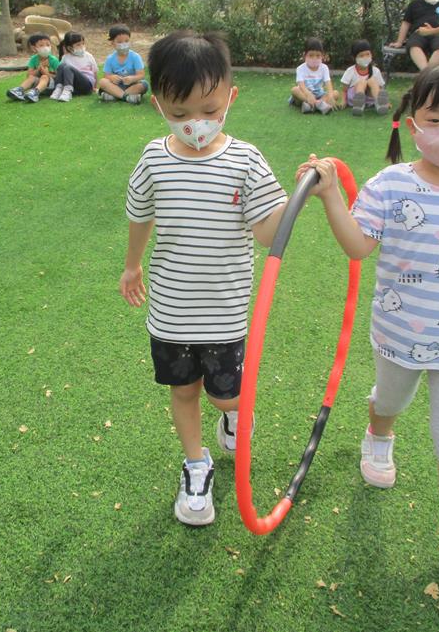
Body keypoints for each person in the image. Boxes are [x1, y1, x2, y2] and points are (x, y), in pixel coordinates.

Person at [298, 61, 439, 584]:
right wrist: (332, 195)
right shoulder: (389, 185)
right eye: (436, 118)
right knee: (391, 400)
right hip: (399, 332)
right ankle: (378, 434)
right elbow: (358, 247)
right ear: (412, 123)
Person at [120, 31, 289, 526]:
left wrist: (300, 197)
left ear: (230, 97)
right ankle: (197, 465)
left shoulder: (246, 160)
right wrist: (132, 264)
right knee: (183, 391)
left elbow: (266, 234)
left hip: (225, 312)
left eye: (210, 110)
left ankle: (234, 413)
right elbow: (140, 215)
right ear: (158, 105)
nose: (196, 122)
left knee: (225, 394)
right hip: (172, 310)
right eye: (180, 112)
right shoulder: (154, 158)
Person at [389, 0, 439, 70]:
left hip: (437, 33)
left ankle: (429, 72)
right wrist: (399, 42)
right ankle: (424, 70)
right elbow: (406, 23)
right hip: (419, 32)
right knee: (413, 45)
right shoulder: (415, 5)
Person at [98, 24, 149, 104]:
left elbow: (141, 75)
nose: (124, 44)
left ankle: (115, 96)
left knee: (143, 84)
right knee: (102, 82)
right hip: (116, 86)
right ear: (112, 43)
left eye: (126, 41)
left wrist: (132, 78)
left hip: (132, 85)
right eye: (119, 42)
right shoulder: (110, 58)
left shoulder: (135, 56)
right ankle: (126, 97)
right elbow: (106, 76)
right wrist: (112, 77)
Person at [290, 37, 340, 114]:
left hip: (320, 95)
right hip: (305, 94)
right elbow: (301, 85)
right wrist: (308, 94)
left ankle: (313, 105)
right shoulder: (300, 68)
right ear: (305, 55)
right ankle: (318, 105)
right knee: (294, 90)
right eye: (311, 55)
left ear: (322, 56)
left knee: (335, 93)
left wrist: (330, 96)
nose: (314, 58)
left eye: (318, 55)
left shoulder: (324, 68)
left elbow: (328, 82)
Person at [341, 39, 390, 115]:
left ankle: (380, 105)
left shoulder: (375, 71)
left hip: (370, 99)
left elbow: (380, 89)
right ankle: (358, 106)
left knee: (372, 81)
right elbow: (344, 90)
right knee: (362, 82)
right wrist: (343, 100)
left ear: (371, 55)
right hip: (354, 97)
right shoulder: (350, 71)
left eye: (367, 54)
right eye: (361, 55)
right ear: (354, 58)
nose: (365, 57)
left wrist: (386, 102)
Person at [6, 33, 59, 103]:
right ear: (34, 48)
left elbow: (59, 77)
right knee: (31, 77)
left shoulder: (53, 60)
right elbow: (29, 75)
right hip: (39, 85)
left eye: (48, 45)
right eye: (41, 45)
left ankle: (35, 93)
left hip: (52, 86)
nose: (45, 47)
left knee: (44, 76)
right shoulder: (33, 59)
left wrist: (47, 73)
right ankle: (19, 90)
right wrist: (39, 69)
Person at [51, 31, 98, 102]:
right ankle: (58, 89)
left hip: (86, 85)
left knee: (68, 67)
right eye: (78, 45)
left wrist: (94, 87)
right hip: (74, 86)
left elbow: (95, 73)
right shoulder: (65, 57)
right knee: (61, 66)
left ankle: (67, 92)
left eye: (83, 43)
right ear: (70, 48)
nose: (82, 46)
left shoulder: (88, 56)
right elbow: (59, 72)